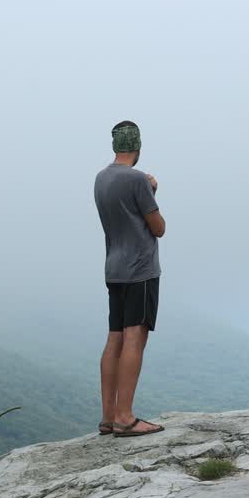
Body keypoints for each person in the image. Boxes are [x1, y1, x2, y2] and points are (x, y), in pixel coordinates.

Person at [93, 121, 166, 437]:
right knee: (135, 337)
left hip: (114, 268)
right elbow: (158, 227)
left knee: (115, 338)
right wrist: (151, 192)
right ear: (137, 147)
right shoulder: (137, 180)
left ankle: (108, 417)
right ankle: (125, 416)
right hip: (140, 271)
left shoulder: (101, 178)